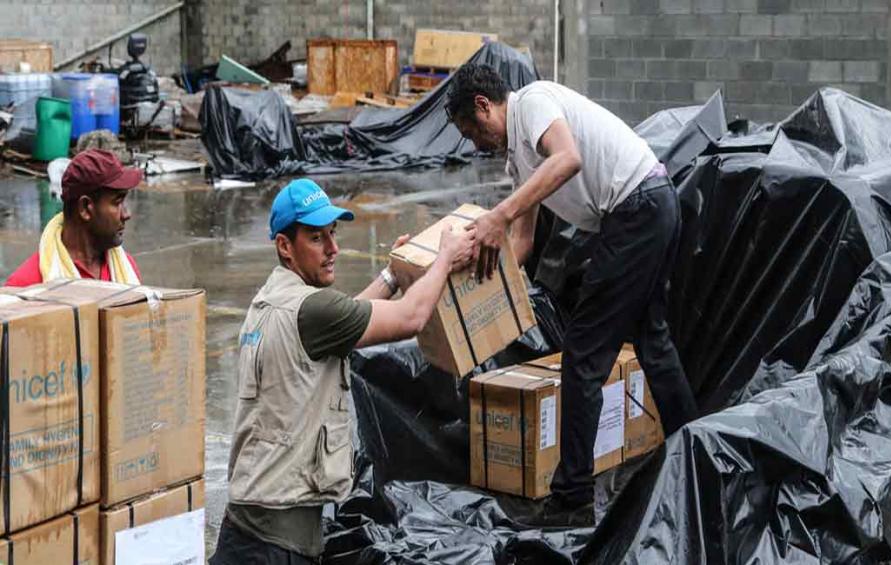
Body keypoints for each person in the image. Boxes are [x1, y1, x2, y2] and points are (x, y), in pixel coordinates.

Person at [445, 64, 699, 524]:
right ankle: (699, 456)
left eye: (471, 131)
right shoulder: (519, 157)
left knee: (583, 354)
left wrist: (497, 216)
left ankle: (572, 498)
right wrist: (459, 284)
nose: (475, 144)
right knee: (652, 342)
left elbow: (568, 159)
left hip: (638, 208)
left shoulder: (534, 102)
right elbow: (520, 244)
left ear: (485, 106)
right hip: (648, 206)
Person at [211, 179, 476, 564]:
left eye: (333, 234)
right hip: (273, 546)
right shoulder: (312, 310)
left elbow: (347, 320)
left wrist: (391, 275)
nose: (333, 249)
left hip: (250, 528)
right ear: (285, 247)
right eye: (317, 238)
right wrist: (445, 258)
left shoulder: (271, 300)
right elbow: (412, 316)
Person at [5, 149, 142, 286]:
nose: (126, 214)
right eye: (117, 202)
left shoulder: (126, 268)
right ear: (85, 208)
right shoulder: (27, 285)